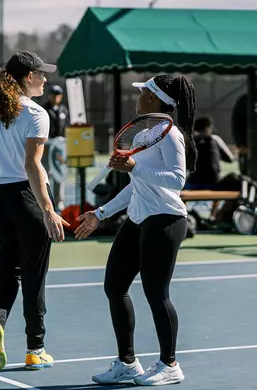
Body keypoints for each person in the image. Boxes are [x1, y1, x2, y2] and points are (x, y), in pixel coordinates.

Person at [74, 74, 197, 386]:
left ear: (155, 100)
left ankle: (170, 365)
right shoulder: (147, 135)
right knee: (115, 286)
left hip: (165, 220)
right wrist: (99, 213)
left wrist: (134, 167)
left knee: (157, 294)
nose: (137, 97)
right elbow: (136, 187)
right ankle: (127, 363)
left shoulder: (170, 135)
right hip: (139, 218)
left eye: (143, 92)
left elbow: (176, 180)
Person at [0, 51, 69, 372]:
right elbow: (32, 165)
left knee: (6, 271)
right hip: (24, 197)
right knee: (33, 276)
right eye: (42, 74)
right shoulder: (37, 113)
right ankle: (35, 349)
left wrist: (3, 157)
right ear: (29, 77)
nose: (45, 80)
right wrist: (49, 210)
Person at [185, 116, 235, 189]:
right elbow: (230, 159)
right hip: (214, 182)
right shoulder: (215, 139)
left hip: (194, 182)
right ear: (208, 127)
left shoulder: (189, 140)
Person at [42, 84, 69, 211]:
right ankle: (45, 201)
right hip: (46, 145)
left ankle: (59, 201)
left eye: (57, 95)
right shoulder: (43, 109)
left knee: (59, 174)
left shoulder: (64, 109)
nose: (55, 97)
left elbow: (66, 127)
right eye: (53, 95)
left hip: (59, 146)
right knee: (44, 174)